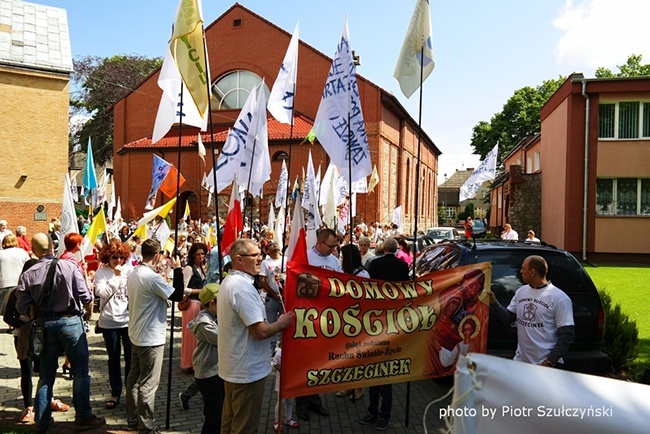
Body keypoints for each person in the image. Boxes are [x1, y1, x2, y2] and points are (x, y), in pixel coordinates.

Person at [16, 233, 105, 433]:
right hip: (71, 321)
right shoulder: (68, 266)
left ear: (34, 250)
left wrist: (31, 310)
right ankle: (83, 416)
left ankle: (42, 420)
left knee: (46, 375)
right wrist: (88, 316)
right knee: (81, 371)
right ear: (52, 247)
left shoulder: (29, 273)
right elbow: (85, 296)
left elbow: (21, 304)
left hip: (44, 324)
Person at [218, 239, 294, 434]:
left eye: (260, 254)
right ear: (239, 259)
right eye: (254, 255)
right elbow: (260, 332)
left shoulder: (230, 282)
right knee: (244, 427)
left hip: (234, 367)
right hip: (246, 371)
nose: (260, 258)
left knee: (229, 422)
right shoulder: (242, 288)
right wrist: (282, 323)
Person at [125, 238, 184, 433]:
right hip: (150, 337)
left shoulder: (135, 273)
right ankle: (146, 427)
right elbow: (176, 295)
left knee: (134, 380)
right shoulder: (152, 277)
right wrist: (177, 269)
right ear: (157, 255)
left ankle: (133, 419)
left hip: (136, 333)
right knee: (148, 384)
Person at [487, 255, 575, 367]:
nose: (520, 271)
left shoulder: (559, 298)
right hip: (521, 362)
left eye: (523, 268)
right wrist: (494, 302)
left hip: (545, 365)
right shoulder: (521, 292)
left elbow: (567, 334)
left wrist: (550, 361)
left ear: (532, 272)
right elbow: (509, 318)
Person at [361, 236, 410, 431]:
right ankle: (383, 415)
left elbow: (369, 287)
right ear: (396, 249)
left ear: (383, 248)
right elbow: (406, 289)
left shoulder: (375, 264)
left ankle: (373, 411)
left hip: (376, 319)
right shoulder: (401, 266)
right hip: (393, 321)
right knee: (385, 372)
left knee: (376, 371)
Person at [298, 229, 342, 421]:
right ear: (320, 242)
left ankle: (316, 400)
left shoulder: (334, 261)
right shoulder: (306, 258)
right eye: (331, 246)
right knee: (305, 363)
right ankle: (302, 405)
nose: (334, 250)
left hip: (327, 319)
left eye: (335, 246)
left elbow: (341, 283)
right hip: (308, 318)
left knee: (319, 363)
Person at [94, 239, 132, 409]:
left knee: (131, 358)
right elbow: (101, 293)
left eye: (121, 257)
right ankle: (115, 392)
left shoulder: (129, 271)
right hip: (109, 321)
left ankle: (131, 391)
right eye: (114, 257)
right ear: (108, 257)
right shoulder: (101, 273)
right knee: (113, 358)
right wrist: (115, 278)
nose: (118, 261)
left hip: (127, 320)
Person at [188, 283, 224, 434]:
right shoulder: (204, 323)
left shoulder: (214, 316)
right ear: (212, 303)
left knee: (219, 413)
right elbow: (223, 339)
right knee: (214, 416)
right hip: (208, 373)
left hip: (216, 370)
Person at [336, 244, 368, 401]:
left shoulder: (363, 274)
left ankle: (358, 387)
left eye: (343, 256)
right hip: (344, 319)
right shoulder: (344, 272)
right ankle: (347, 384)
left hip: (358, 320)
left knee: (357, 355)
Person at [181, 242, 208, 371]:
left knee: (198, 335)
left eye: (203, 254)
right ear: (193, 255)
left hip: (200, 304)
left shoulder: (202, 268)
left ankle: (196, 362)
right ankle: (189, 363)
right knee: (191, 335)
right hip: (192, 304)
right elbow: (184, 289)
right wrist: (200, 291)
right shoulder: (189, 268)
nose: (201, 256)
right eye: (198, 254)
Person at [259, 241, 284, 353]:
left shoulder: (287, 259)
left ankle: (285, 347)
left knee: (287, 323)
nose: (274, 245)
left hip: (286, 298)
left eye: (275, 243)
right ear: (267, 251)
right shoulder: (265, 263)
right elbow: (262, 282)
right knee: (271, 323)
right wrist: (275, 294)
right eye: (270, 245)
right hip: (272, 298)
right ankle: (271, 349)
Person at [0, 234, 31, 319]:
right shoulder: (22, 252)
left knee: (7, 307)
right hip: (19, 282)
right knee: (18, 304)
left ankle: (10, 324)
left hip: (4, 282)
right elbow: (28, 266)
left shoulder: (1, 254)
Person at [272, 346, 299, 432]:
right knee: (280, 401)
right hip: (282, 380)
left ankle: (288, 418)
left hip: (291, 380)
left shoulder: (295, 351)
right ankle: (277, 421)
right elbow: (275, 364)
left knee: (290, 400)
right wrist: (283, 370)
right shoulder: (280, 352)